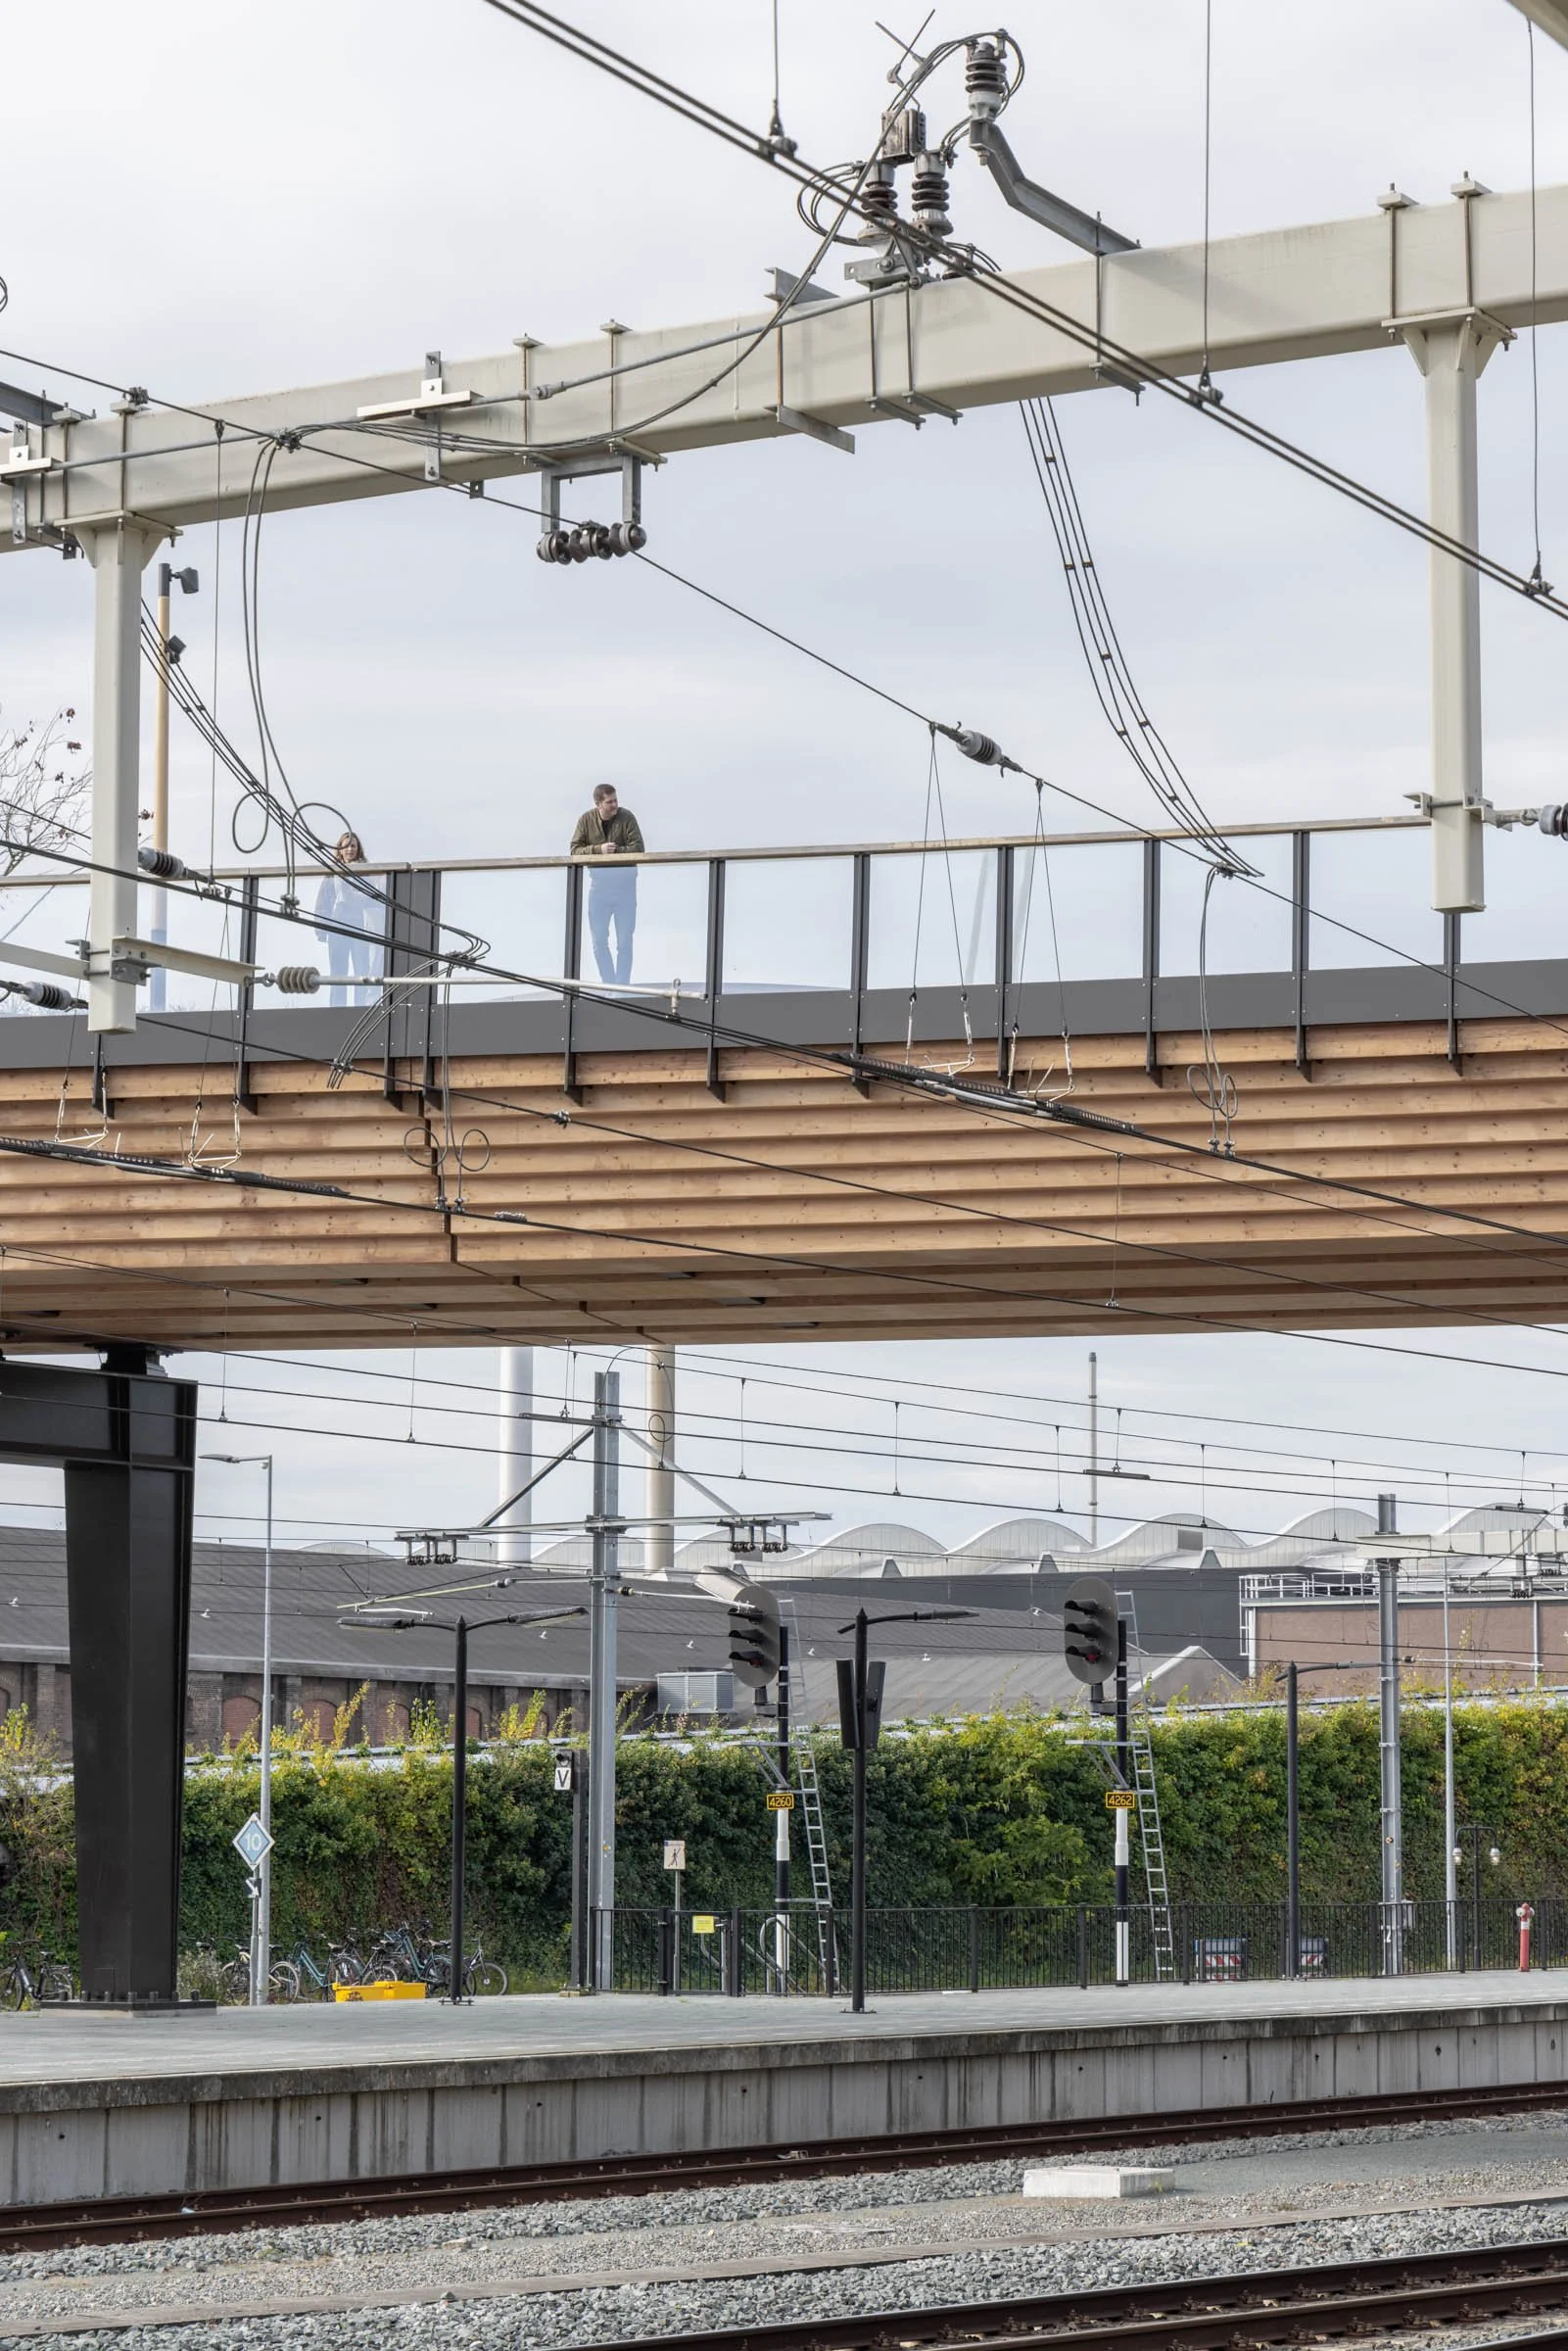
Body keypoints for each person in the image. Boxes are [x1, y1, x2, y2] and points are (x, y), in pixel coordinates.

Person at [570, 784, 644, 988]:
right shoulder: (585, 820)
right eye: (609, 802)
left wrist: (616, 851)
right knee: (599, 942)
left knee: (624, 942)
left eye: (615, 800)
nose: (614, 805)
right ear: (598, 804)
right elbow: (574, 851)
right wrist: (598, 850)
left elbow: (639, 848)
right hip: (599, 890)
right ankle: (609, 985)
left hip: (625, 890)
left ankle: (622, 987)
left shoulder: (626, 817)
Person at [314, 831, 383, 1006]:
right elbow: (323, 904)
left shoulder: (367, 874)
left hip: (360, 928)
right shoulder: (331, 875)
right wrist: (322, 931)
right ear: (340, 849)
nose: (350, 849)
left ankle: (360, 1009)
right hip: (337, 929)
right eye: (346, 846)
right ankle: (337, 1009)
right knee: (338, 973)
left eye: (353, 846)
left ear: (358, 849)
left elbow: (374, 900)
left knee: (362, 971)